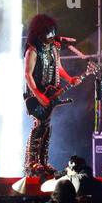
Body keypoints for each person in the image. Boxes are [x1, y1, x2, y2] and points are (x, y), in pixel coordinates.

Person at [23, 14, 81, 176]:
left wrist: (70, 78)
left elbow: (58, 67)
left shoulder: (55, 47)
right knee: (40, 124)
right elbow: (27, 74)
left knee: (46, 126)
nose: (51, 36)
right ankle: (31, 162)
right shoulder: (32, 49)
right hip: (36, 93)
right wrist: (38, 95)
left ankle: (42, 161)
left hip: (50, 91)